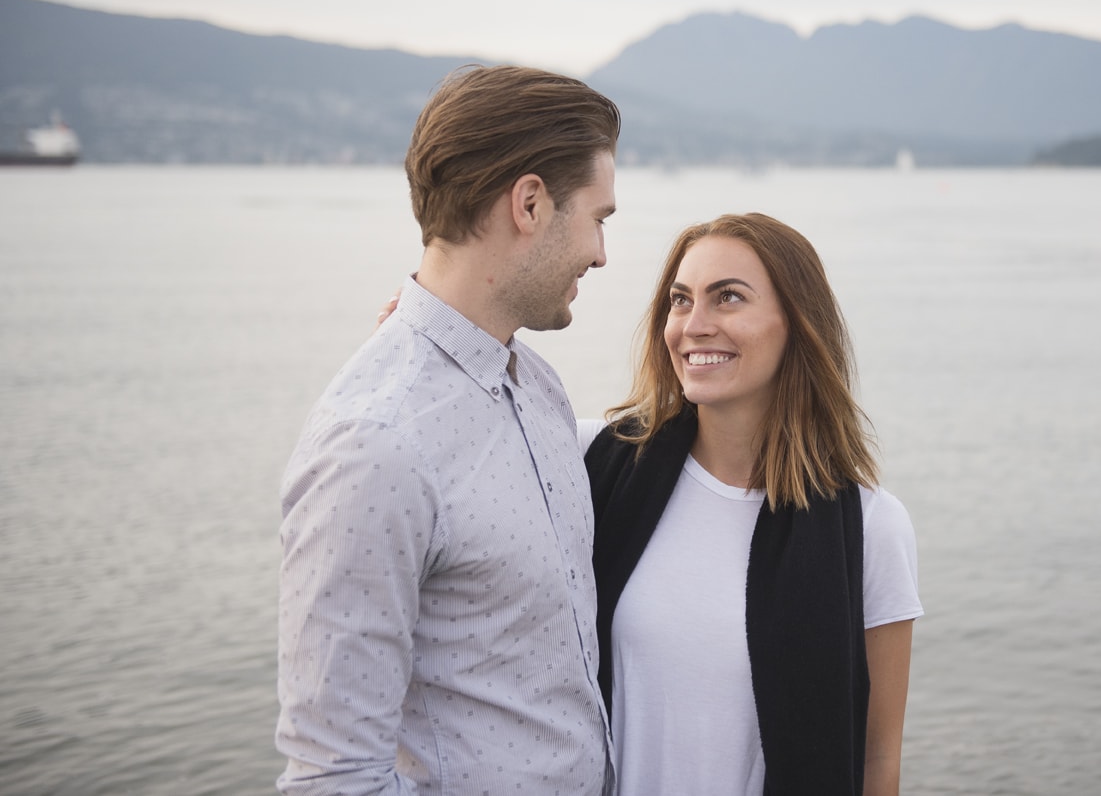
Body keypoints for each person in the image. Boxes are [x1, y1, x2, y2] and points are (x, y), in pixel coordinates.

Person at [276, 65, 621, 796]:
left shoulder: (537, 389)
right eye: (599, 218)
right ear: (530, 203)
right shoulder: (374, 445)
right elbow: (333, 778)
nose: (601, 253)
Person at [583, 213, 922, 796]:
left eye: (729, 298)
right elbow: (456, 411)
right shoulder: (597, 459)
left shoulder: (870, 527)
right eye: (681, 300)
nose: (695, 325)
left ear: (796, 323)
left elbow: (876, 756)